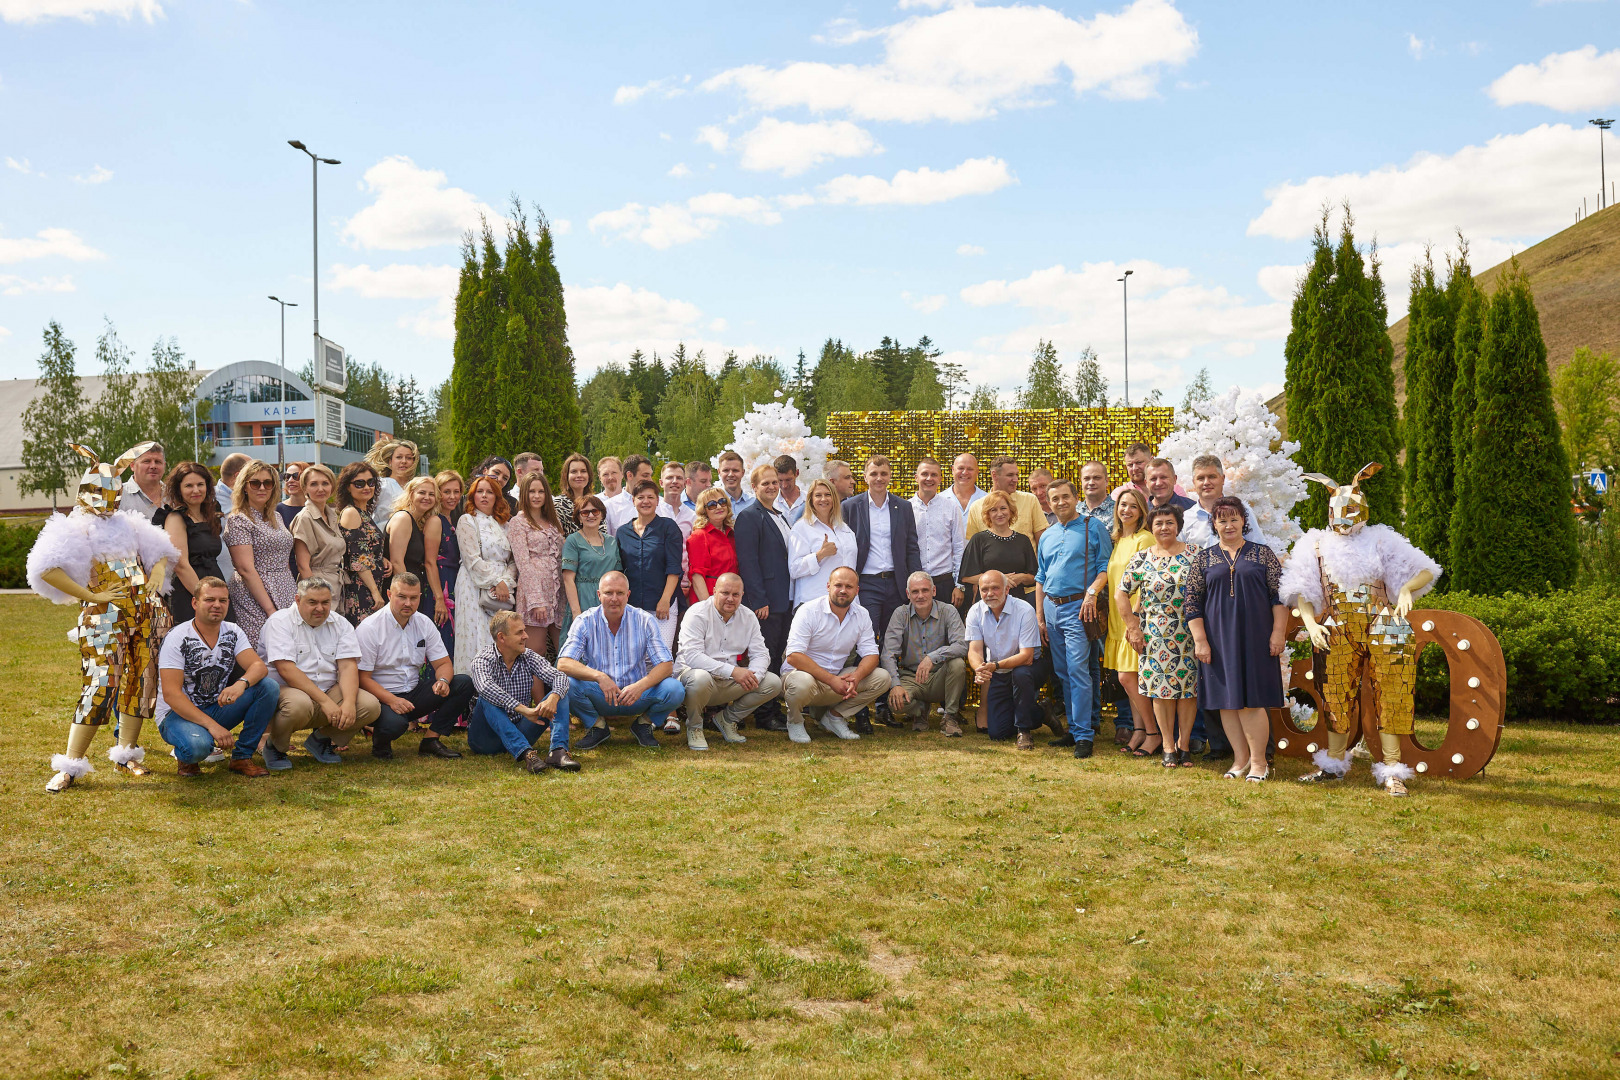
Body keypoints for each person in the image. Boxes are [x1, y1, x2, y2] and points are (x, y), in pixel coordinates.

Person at [28, 440, 178, 792]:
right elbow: (45, 570)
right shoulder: (73, 528)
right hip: (104, 619)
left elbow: (163, 549)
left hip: (145, 616)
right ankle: (70, 764)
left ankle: (127, 755)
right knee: (100, 684)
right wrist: (91, 595)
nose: (108, 498)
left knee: (141, 683)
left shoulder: (129, 524)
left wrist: (156, 574)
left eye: (113, 491)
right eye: (101, 490)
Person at [1282, 463, 1440, 796]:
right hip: (1337, 628)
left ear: (1362, 508)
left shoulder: (1381, 540)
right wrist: (1310, 622)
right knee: (1335, 695)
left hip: (1384, 624)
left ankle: (1393, 769)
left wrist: (1407, 589)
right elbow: (1303, 589)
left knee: (1393, 693)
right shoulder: (1315, 545)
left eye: (1350, 510)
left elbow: (1426, 570)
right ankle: (1333, 764)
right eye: (1336, 510)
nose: (1342, 518)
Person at [1186, 497, 1288, 782]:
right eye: (1222, 520)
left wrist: (1278, 633)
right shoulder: (1203, 559)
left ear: (1244, 521)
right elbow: (1192, 603)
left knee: (1252, 702)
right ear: (1214, 524)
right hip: (1217, 641)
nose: (1228, 525)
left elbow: (1279, 597)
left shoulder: (1262, 554)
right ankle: (1240, 759)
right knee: (1226, 702)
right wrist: (1200, 641)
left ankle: (1259, 763)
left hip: (1255, 638)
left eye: (1234, 519)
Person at [156, 577, 275, 778]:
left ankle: (242, 757)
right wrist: (213, 727)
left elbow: (258, 666)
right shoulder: (177, 637)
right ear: (195, 603)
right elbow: (171, 695)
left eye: (223, 600)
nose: (217, 605)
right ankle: (187, 757)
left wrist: (240, 684)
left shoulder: (233, 631)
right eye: (209, 600)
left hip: (215, 706)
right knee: (198, 747)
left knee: (267, 686)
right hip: (176, 714)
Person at [261, 576, 381, 770]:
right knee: (298, 703)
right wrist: (325, 702)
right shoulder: (280, 622)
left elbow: (348, 666)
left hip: (327, 689)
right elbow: (286, 669)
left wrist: (349, 703)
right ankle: (275, 747)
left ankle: (322, 740)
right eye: (312, 602)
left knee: (369, 705)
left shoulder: (340, 623)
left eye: (325, 602)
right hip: (287, 691)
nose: (320, 608)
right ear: (298, 600)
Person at [557, 572, 686, 749]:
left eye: (620, 593)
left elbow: (666, 665)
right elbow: (563, 662)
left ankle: (643, 725)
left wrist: (641, 686)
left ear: (628, 595)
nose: (614, 599)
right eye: (609, 593)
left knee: (675, 689)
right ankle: (597, 726)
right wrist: (599, 677)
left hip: (636, 695)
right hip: (600, 694)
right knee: (566, 684)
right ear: (599, 595)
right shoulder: (584, 621)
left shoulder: (644, 620)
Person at [841, 455, 924, 725]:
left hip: (896, 583)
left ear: (890, 476)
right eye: (874, 473)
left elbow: (911, 546)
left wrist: (914, 582)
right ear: (864, 477)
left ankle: (884, 704)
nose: (879, 478)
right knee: (864, 643)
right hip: (866, 583)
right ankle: (860, 709)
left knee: (890, 644)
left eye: (884, 473)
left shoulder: (902, 507)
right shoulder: (850, 507)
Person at [357, 573, 475, 760]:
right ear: (389, 594)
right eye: (401, 597)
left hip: (413, 692)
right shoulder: (370, 627)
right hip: (381, 696)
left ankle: (431, 740)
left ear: (420, 597)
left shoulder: (424, 622)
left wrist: (443, 681)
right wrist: (392, 700)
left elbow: (443, 663)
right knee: (396, 724)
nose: (408, 603)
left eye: (413, 598)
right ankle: (380, 744)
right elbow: (362, 678)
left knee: (463, 683)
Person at [1034, 478, 1113, 759]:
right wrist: (1040, 615)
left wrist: (1091, 594)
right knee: (1064, 672)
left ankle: (1084, 736)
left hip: (1081, 608)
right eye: (1054, 499)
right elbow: (1041, 576)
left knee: (1079, 671)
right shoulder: (1047, 534)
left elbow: (1106, 568)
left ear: (1075, 498)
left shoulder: (1094, 527)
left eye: (1065, 497)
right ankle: (1076, 729)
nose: (1060, 502)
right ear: (1049, 502)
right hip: (1052, 609)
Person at [1116, 504, 1199, 768]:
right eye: (1159, 523)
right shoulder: (1142, 558)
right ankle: (1167, 745)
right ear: (1151, 528)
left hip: (1189, 632)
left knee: (1187, 691)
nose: (1164, 528)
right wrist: (1132, 627)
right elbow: (1121, 593)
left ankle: (1183, 745)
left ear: (1178, 526)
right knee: (1161, 691)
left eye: (1169, 522)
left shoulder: (1195, 554)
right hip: (1154, 635)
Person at [781, 567, 891, 743]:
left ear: (857, 590)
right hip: (803, 678)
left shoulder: (861, 614)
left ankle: (834, 717)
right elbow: (794, 656)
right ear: (828, 586)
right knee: (802, 682)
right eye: (838, 585)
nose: (843, 590)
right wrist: (831, 680)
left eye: (849, 586)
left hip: (836, 681)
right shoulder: (809, 611)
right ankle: (795, 721)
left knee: (882, 678)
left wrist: (856, 677)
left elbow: (871, 654)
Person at [676, 572, 783, 748]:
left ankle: (726, 720)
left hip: (727, 681)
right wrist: (733, 671)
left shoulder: (748, 616)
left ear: (742, 595)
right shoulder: (697, 613)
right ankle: (695, 726)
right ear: (714, 591)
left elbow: (761, 653)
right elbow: (692, 656)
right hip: (694, 680)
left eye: (735, 594)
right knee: (700, 678)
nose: (730, 599)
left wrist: (753, 675)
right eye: (725, 593)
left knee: (772, 682)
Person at [468, 609, 578, 773]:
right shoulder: (483, 659)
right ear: (501, 637)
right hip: (485, 740)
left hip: (521, 728)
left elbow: (560, 677)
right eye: (519, 632)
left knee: (560, 692)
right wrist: (522, 709)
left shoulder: (528, 656)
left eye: (524, 631)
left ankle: (558, 751)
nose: (526, 636)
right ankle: (527, 754)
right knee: (486, 698)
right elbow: (485, 687)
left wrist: (553, 698)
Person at [732, 464, 793, 732]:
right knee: (765, 656)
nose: (771, 487)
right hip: (766, 602)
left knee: (777, 656)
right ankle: (764, 714)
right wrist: (758, 601)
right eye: (765, 483)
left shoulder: (778, 515)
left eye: (774, 483)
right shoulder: (749, 516)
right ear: (753, 487)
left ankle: (772, 707)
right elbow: (748, 562)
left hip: (785, 598)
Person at [1103, 489, 1159, 756]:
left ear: (1142, 511)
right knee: (1132, 680)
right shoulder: (1118, 539)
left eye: (1132, 506)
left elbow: (1147, 580)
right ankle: (1139, 731)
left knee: (1128, 678)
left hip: (1135, 617)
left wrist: (1134, 618)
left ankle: (1153, 732)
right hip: (1117, 617)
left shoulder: (1144, 538)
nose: (1126, 510)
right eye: (1122, 505)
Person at [882, 572, 969, 736]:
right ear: (908, 594)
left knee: (957, 664)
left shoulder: (948, 611)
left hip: (940, 677)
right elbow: (888, 654)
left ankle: (950, 717)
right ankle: (919, 710)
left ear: (934, 591)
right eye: (915, 592)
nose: (920, 596)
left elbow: (963, 645)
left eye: (925, 590)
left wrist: (933, 657)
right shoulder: (900, 614)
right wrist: (896, 685)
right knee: (896, 703)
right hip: (911, 677)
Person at [224, 460, 296, 652]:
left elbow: (284, 556)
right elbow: (245, 569)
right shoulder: (238, 519)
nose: (262, 487)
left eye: (268, 483)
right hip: (255, 594)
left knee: (289, 648)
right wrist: (270, 609)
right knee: (264, 649)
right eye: (255, 483)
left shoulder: (276, 516)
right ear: (245, 486)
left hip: (285, 588)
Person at [967, 570, 1044, 746]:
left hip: (1029, 668)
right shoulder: (975, 611)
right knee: (997, 733)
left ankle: (1024, 731)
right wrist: (979, 669)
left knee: (1021, 674)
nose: (989, 593)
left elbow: (1027, 656)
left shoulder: (1024, 610)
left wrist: (993, 666)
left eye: (995, 588)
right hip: (1000, 671)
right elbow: (974, 650)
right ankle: (1041, 712)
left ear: (1007, 589)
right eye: (984, 589)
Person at [454, 474, 518, 674]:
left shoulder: (506, 525)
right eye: (479, 492)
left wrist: (506, 583)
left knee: (500, 636)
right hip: (474, 584)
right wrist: (495, 581)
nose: (484, 496)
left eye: (489, 492)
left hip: (503, 588)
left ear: (497, 497)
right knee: (476, 636)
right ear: (472, 496)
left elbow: (513, 561)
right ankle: (471, 692)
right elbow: (471, 559)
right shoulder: (467, 520)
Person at [617, 479, 684, 665]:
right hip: (631, 606)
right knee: (633, 657)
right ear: (633, 501)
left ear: (657, 501)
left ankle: (660, 693)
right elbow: (620, 570)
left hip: (662, 605)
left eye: (650, 497)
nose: (645, 501)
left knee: (659, 658)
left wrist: (664, 600)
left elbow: (674, 567)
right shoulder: (623, 532)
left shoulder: (668, 527)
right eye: (640, 497)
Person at [155, 461, 224, 625]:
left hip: (215, 587)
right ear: (179, 489)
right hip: (191, 592)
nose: (196, 490)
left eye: (200, 484)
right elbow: (180, 564)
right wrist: (204, 598)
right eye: (189, 486)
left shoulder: (210, 515)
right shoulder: (175, 518)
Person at [508, 470, 565, 657]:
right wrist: (536, 600)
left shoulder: (553, 521)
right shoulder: (518, 523)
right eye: (532, 491)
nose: (537, 496)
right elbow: (523, 563)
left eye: (541, 491)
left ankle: (566, 687)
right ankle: (536, 688)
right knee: (536, 651)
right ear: (524, 493)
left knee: (565, 649)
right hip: (535, 594)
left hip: (558, 593)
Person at [958, 490, 1038, 608]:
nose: (999, 513)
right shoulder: (979, 539)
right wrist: (1000, 579)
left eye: (1003, 508)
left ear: (1010, 511)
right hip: (988, 603)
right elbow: (966, 577)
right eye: (993, 510)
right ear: (988, 514)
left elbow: (1033, 577)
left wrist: (1021, 577)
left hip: (1017, 603)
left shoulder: (1023, 540)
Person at [387, 476, 445, 632]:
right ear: (411, 494)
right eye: (422, 493)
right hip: (400, 592)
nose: (427, 497)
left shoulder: (419, 522)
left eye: (431, 494)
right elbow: (396, 561)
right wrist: (408, 596)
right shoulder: (403, 518)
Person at [789, 478, 857, 607]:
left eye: (827, 495)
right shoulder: (802, 528)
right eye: (818, 495)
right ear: (810, 500)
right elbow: (794, 569)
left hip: (845, 603)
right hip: (815, 602)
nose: (823, 499)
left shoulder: (844, 528)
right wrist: (819, 555)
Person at [561, 494, 620, 641]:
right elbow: (568, 579)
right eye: (585, 512)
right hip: (583, 598)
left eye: (595, 511)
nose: (591, 515)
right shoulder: (573, 540)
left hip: (608, 599)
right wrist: (576, 613)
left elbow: (618, 575)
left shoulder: (612, 541)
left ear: (602, 514)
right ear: (579, 517)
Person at [336, 461, 388, 626]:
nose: (367, 487)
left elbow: (368, 548)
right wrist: (375, 592)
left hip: (370, 586)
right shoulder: (351, 512)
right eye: (359, 483)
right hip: (361, 590)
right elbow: (358, 559)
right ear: (348, 487)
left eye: (371, 482)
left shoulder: (364, 513)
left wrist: (382, 558)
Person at [1183, 454, 1270, 550]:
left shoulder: (1242, 510)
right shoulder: (1185, 519)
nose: (1206, 482)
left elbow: (1260, 549)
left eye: (1212, 477)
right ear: (1194, 482)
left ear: (1222, 479)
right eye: (1201, 478)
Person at [911, 457, 965, 608]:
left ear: (940, 479)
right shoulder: (906, 508)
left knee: (946, 630)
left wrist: (959, 585)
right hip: (915, 584)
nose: (929, 478)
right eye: (924, 474)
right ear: (916, 477)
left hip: (945, 583)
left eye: (934, 475)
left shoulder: (951, 507)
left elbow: (959, 547)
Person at [290, 463, 346, 595]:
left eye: (325, 483)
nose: (320, 489)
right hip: (317, 588)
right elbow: (303, 567)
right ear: (305, 489)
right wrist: (318, 595)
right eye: (314, 484)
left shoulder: (332, 515)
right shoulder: (304, 518)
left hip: (338, 586)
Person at [966, 455, 1048, 545]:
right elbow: (974, 545)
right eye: (1010, 475)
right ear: (994, 475)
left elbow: (1042, 541)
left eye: (1017, 474)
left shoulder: (1030, 500)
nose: (1016, 479)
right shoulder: (976, 507)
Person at [686, 487, 737, 604]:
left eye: (722, 502)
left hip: (731, 599)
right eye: (712, 505)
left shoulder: (732, 534)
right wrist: (709, 606)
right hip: (709, 597)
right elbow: (697, 576)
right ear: (704, 511)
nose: (719, 507)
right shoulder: (699, 536)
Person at [433, 469, 463, 657]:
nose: (452, 497)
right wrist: (439, 599)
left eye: (456, 491)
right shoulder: (436, 521)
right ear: (438, 493)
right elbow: (429, 562)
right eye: (447, 492)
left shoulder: (454, 518)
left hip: (454, 583)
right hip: (440, 584)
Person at [368, 439, 419, 529]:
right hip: (384, 537)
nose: (404, 461)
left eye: (409, 458)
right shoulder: (381, 485)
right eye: (399, 457)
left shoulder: (417, 487)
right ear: (390, 462)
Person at [118, 441, 167, 520]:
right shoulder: (117, 496)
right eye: (147, 461)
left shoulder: (175, 495)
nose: (153, 466)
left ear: (164, 466)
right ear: (132, 466)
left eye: (157, 462)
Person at [607, 454, 653, 533]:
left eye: (650, 475)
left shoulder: (662, 505)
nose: (650, 480)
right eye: (645, 475)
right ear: (630, 475)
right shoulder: (609, 507)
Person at [555, 452, 594, 536]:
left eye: (583, 471)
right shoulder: (558, 505)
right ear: (566, 476)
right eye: (574, 472)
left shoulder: (595, 503)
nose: (579, 475)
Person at [657, 461, 696, 537]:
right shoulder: (653, 511)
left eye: (679, 478)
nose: (675, 481)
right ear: (661, 483)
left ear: (685, 483)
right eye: (669, 477)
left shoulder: (692, 516)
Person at [275, 461, 307, 528]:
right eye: (287, 476)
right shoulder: (277, 510)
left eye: (296, 476)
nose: (290, 480)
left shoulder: (315, 508)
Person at [774, 455, 805, 522]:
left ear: (797, 473)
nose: (784, 485)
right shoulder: (772, 503)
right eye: (780, 480)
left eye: (788, 480)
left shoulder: (809, 499)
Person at [595, 456, 625, 523]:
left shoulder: (633, 501)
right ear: (600, 478)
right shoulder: (594, 502)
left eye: (614, 473)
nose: (610, 477)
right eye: (605, 474)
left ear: (622, 474)